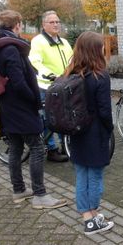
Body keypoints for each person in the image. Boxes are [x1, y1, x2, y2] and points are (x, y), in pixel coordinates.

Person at [0, 10, 67, 209]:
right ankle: (40, 195)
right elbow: (18, 82)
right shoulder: (11, 49)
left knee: (16, 148)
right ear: (17, 24)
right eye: (21, 24)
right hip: (21, 108)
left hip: (8, 107)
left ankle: (19, 190)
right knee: (36, 148)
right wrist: (34, 100)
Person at [63, 31, 114, 235]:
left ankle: (86, 216)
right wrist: (109, 130)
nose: (104, 48)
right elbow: (104, 111)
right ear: (96, 49)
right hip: (95, 133)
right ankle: (93, 218)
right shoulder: (100, 75)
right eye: (101, 45)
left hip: (76, 131)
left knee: (81, 174)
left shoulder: (71, 72)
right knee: (95, 176)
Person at [29, 10, 73, 162]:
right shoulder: (38, 41)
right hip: (46, 86)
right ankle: (51, 149)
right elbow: (35, 62)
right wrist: (48, 74)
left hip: (64, 86)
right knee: (49, 119)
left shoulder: (64, 42)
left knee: (64, 117)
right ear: (44, 24)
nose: (56, 25)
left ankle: (65, 145)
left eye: (57, 22)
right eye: (52, 22)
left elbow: (72, 61)